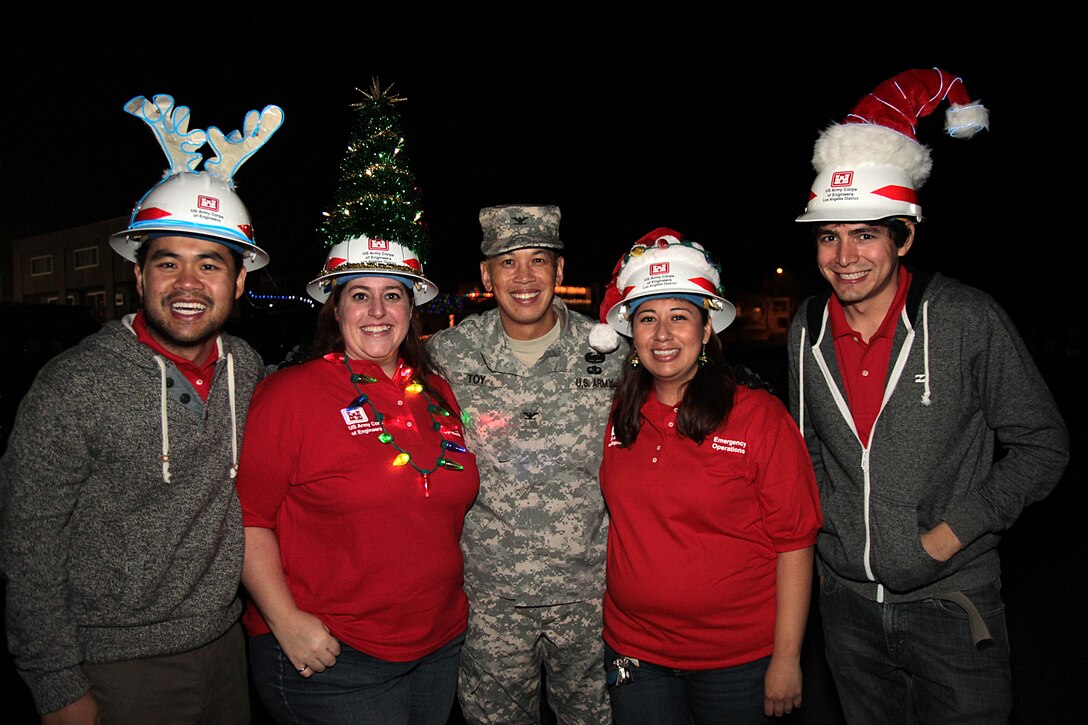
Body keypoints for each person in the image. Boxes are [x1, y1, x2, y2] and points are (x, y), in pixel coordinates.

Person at [787, 68, 1070, 724]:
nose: (844, 254)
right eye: (829, 235)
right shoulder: (806, 327)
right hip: (848, 611)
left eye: (866, 234)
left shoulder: (966, 317)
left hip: (953, 606)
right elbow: (806, 451)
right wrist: (831, 549)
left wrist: (947, 537)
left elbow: (1043, 444)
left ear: (903, 236)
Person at [0, 93, 282, 723]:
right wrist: (56, 686)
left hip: (225, 649)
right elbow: (29, 546)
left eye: (210, 265)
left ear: (238, 282)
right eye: (168, 263)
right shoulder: (73, 385)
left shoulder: (249, 370)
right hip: (113, 669)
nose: (187, 285)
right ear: (139, 275)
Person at [237, 235, 479, 724]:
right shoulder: (290, 395)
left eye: (392, 294)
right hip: (333, 655)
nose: (377, 310)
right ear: (335, 308)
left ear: (412, 309)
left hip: (439, 645)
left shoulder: (437, 393)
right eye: (359, 295)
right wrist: (285, 621)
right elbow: (247, 519)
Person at [594, 228, 822, 724]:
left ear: (706, 330)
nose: (662, 334)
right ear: (630, 335)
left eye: (680, 317)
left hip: (737, 663)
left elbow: (796, 544)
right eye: (647, 318)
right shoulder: (619, 415)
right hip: (635, 654)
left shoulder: (758, 416)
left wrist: (787, 659)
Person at [426, 204, 624, 724]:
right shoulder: (449, 354)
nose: (525, 277)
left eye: (539, 260)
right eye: (507, 263)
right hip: (491, 599)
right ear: (486, 275)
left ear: (560, 271)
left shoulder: (610, 353)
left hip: (590, 597)